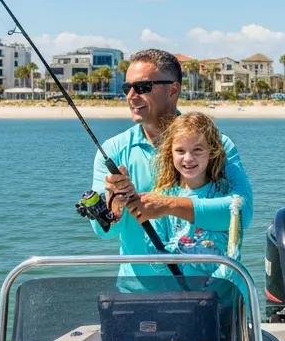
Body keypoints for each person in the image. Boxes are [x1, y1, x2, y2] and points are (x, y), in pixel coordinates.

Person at [88, 49, 253, 281]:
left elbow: (242, 214)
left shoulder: (219, 145)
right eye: (127, 88)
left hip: (213, 293)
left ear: (173, 90)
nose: (131, 96)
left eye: (143, 87)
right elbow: (104, 232)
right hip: (136, 291)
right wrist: (114, 206)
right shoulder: (114, 150)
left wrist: (169, 205)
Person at [152, 111, 245, 280]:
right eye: (180, 151)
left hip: (224, 295)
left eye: (197, 150)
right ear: (169, 153)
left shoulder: (225, 195)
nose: (188, 158)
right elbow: (154, 256)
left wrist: (213, 286)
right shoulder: (162, 197)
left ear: (212, 151)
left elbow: (234, 251)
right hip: (182, 297)